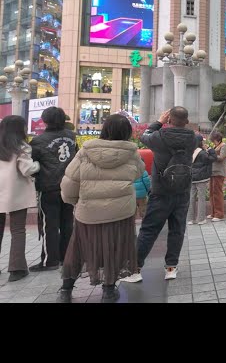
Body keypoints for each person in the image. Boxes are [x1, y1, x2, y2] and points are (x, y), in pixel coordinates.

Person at [58, 114, 144, 302]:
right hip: (120, 212)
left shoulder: (86, 151)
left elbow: (70, 183)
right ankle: (108, 290)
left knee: (78, 249)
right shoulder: (132, 153)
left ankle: (66, 290)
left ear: (104, 130)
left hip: (88, 213)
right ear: (127, 132)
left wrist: (73, 201)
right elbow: (139, 172)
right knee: (115, 249)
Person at [120, 107, 198, 283]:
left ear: (169, 120)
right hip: (183, 191)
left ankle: (135, 269)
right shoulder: (194, 138)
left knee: (149, 230)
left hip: (161, 192)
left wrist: (159, 122)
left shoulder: (158, 137)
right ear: (186, 121)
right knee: (177, 230)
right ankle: (171, 268)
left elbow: (143, 135)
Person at [29, 107, 77, 272]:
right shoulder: (72, 136)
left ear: (44, 120)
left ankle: (51, 261)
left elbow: (31, 164)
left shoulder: (38, 141)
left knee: (49, 225)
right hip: (68, 186)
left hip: (48, 188)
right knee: (67, 223)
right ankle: (66, 257)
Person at [0, 116, 40, 282]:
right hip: (15, 194)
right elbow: (27, 169)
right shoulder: (21, 147)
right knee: (17, 230)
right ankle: (17, 269)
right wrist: (38, 164)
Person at [188, 135, 217, 225]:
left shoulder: (190, 151)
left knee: (191, 198)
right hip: (201, 178)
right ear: (200, 142)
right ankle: (200, 219)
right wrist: (210, 149)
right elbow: (212, 159)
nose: (204, 143)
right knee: (201, 198)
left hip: (192, 177)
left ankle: (190, 219)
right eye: (203, 141)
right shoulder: (201, 153)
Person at [207, 131, 226, 221]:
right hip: (212, 172)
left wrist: (212, 153)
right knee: (212, 193)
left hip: (219, 172)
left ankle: (219, 214)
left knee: (217, 193)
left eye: (214, 140)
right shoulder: (216, 146)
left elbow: (221, 157)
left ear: (218, 139)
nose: (213, 142)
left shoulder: (223, 145)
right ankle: (213, 213)